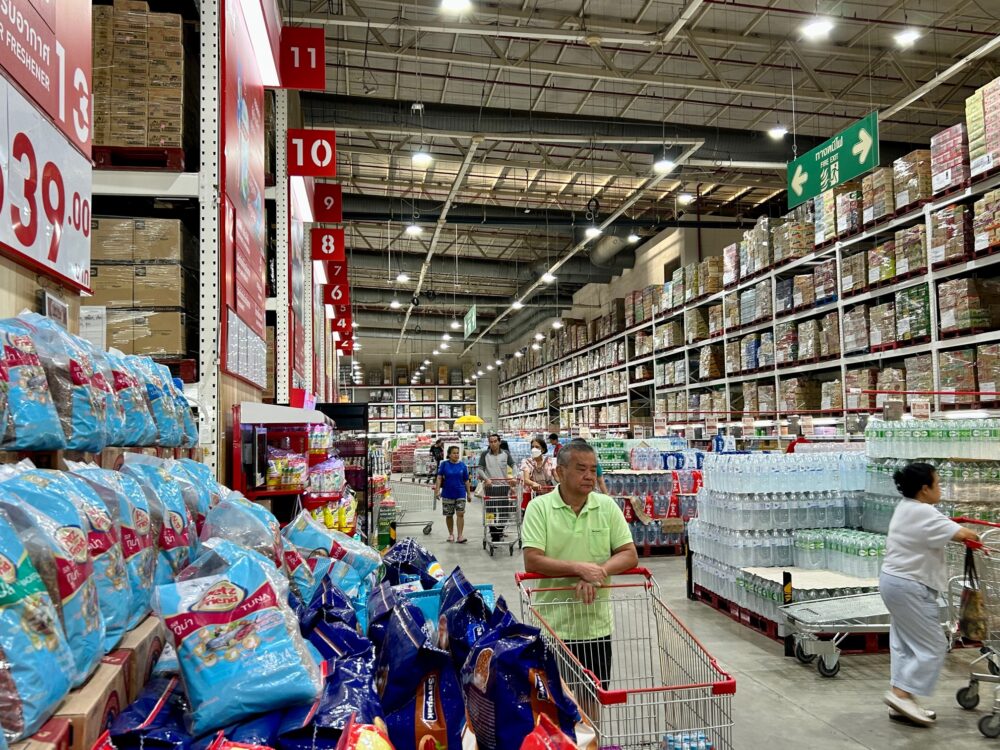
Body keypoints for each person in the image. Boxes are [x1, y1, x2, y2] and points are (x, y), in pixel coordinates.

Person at [521, 441, 638, 688]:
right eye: (581, 469)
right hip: (552, 626)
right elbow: (532, 560)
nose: (589, 476)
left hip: (595, 626)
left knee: (593, 695)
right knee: (554, 699)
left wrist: (599, 572)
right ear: (560, 472)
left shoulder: (606, 507)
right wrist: (579, 569)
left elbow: (629, 554)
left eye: (593, 470)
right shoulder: (539, 508)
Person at [880, 462, 979, 725]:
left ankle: (902, 701)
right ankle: (901, 695)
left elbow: (939, 528)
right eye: (938, 483)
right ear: (925, 489)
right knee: (933, 645)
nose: (941, 488)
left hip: (895, 582)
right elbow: (964, 534)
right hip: (910, 586)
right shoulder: (924, 512)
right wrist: (975, 535)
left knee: (905, 645)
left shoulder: (908, 507)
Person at [478, 433, 515, 541]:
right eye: (491, 442)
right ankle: (494, 534)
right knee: (490, 512)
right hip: (490, 488)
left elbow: (514, 465)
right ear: (489, 443)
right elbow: (480, 469)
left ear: (499, 442)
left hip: (504, 488)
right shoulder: (485, 454)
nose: (493, 444)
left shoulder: (505, 454)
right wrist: (486, 479)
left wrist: (513, 477)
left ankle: (499, 531)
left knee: (504, 512)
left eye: (495, 441)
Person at [434, 446, 472, 543]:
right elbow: (439, 478)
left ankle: (460, 536)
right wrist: (437, 491)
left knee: (460, 514)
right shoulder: (444, 464)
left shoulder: (463, 465)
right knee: (449, 515)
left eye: (457, 453)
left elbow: (466, 480)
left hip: (460, 493)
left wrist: (469, 494)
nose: (456, 455)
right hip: (447, 493)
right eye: (454, 453)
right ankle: (451, 534)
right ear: (449, 454)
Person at [520, 435, 557, 511]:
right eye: (532, 447)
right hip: (533, 495)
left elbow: (556, 476)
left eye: (537, 447)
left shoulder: (550, 461)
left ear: (543, 449)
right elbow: (526, 479)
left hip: (548, 494)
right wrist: (533, 483)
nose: (534, 449)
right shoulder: (527, 462)